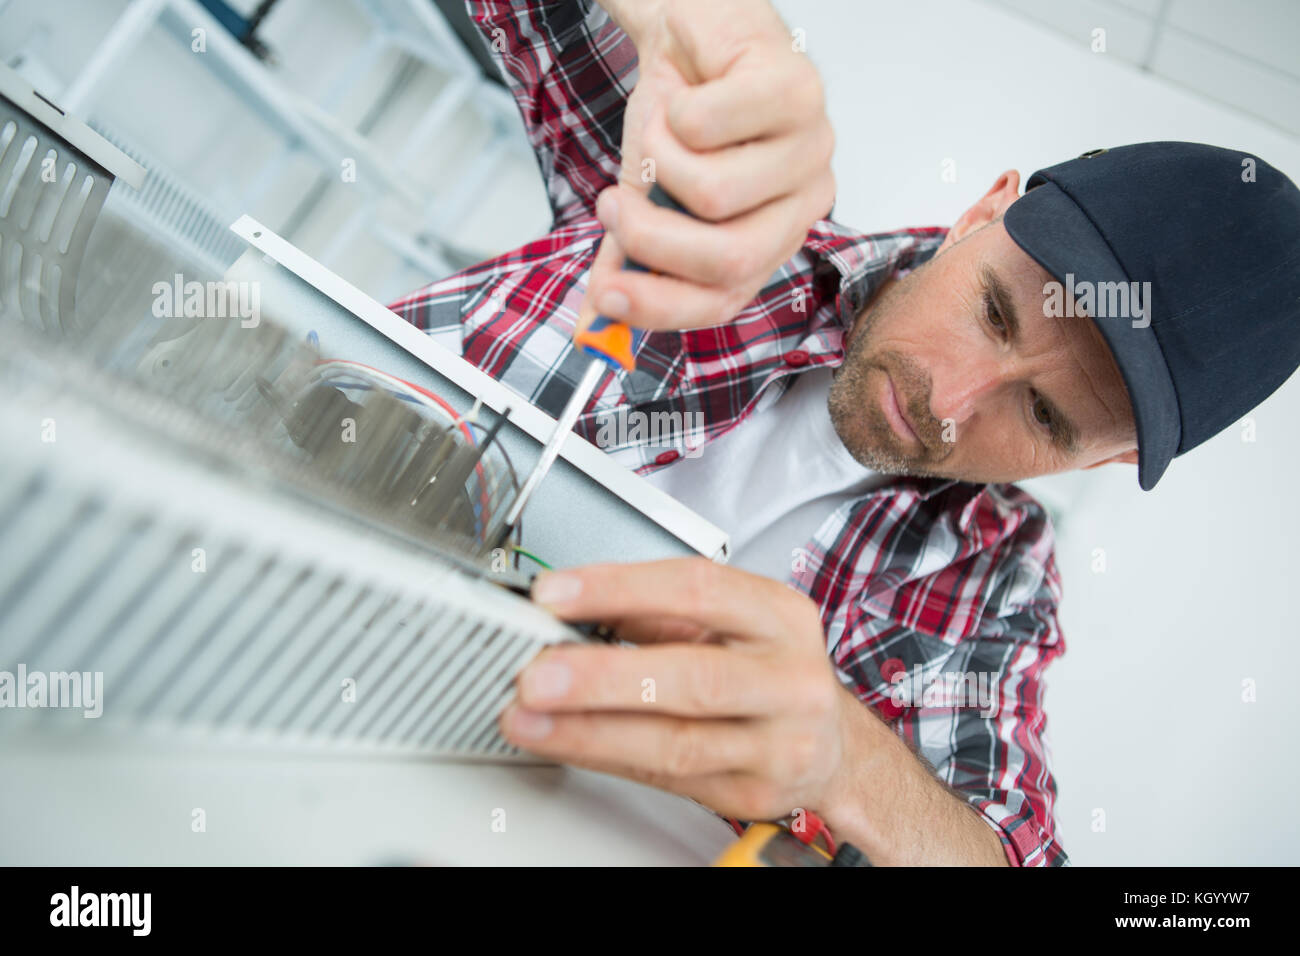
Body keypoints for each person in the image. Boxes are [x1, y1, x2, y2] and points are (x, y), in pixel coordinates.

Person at [390, 0, 1300, 865]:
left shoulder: (990, 580)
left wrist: (847, 759)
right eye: (992, 312)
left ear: (1104, 459)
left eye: (1043, 415)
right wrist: (707, 29)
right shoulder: (726, 219)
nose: (951, 398)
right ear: (981, 212)